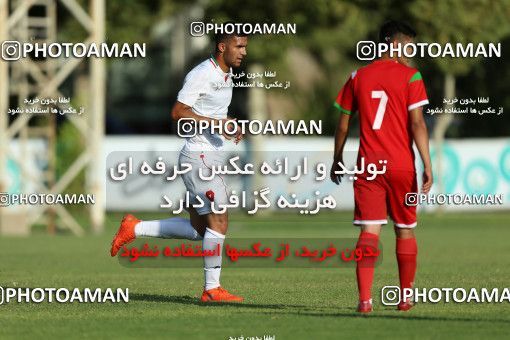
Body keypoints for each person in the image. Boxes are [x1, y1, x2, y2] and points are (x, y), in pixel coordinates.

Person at [110, 28, 248, 303]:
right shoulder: (202, 74)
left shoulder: (226, 74)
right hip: (200, 158)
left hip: (208, 155)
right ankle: (212, 289)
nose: (244, 52)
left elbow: (210, 111)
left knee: (200, 231)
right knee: (219, 222)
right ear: (222, 47)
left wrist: (227, 122)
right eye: (239, 46)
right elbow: (178, 111)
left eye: (245, 46)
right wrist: (218, 124)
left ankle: (134, 228)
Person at [330, 20, 433, 313]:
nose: (411, 51)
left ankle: (365, 300)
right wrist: (427, 163)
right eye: (409, 45)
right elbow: (417, 123)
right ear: (393, 43)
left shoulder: (357, 76)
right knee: (405, 230)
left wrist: (337, 159)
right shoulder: (411, 77)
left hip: (369, 167)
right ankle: (405, 298)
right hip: (401, 166)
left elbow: (343, 124)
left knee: (369, 231)